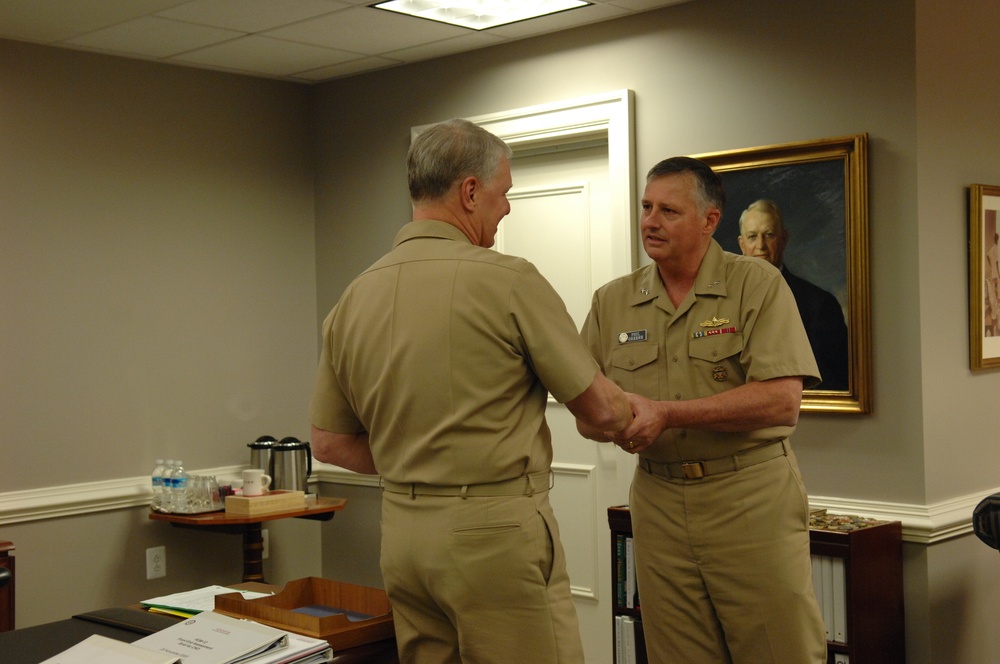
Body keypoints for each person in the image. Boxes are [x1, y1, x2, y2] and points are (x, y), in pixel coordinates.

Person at [309, 118, 636, 664]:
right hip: (494, 538)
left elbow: (328, 444)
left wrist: (414, 459)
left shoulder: (353, 298)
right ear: (469, 191)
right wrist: (642, 409)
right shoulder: (509, 280)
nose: (506, 208)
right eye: (503, 193)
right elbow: (601, 411)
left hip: (405, 538)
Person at [578, 157, 827, 664]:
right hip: (659, 501)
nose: (650, 221)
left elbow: (782, 400)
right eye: (646, 207)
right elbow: (586, 410)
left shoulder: (755, 284)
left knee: (780, 651)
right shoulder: (613, 301)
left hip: (748, 498)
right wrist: (614, 422)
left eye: (668, 210)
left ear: (709, 221)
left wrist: (668, 414)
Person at [737, 198, 850, 390]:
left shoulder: (820, 305)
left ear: (784, 239)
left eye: (769, 235)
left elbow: (831, 383)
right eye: (752, 237)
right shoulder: (725, 300)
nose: (761, 246)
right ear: (741, 244)